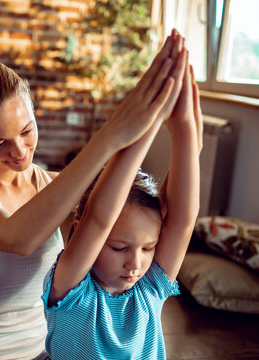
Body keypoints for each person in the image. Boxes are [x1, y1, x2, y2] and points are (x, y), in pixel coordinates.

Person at [0, 30, 187, 359]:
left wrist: (165, 119)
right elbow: (18, 237)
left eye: (26, 130)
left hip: (42, 353)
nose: (19, 151)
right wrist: (112, 133)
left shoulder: (56, 187)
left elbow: (119, 206)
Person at [41, 32, 203, 359]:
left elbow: (184, 219)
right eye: (119, 247)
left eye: (148, 248)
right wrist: (150, 119)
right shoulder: (71, 290)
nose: (136, 263)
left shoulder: (149, 288)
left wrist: (184, 124)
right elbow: (99, 218)